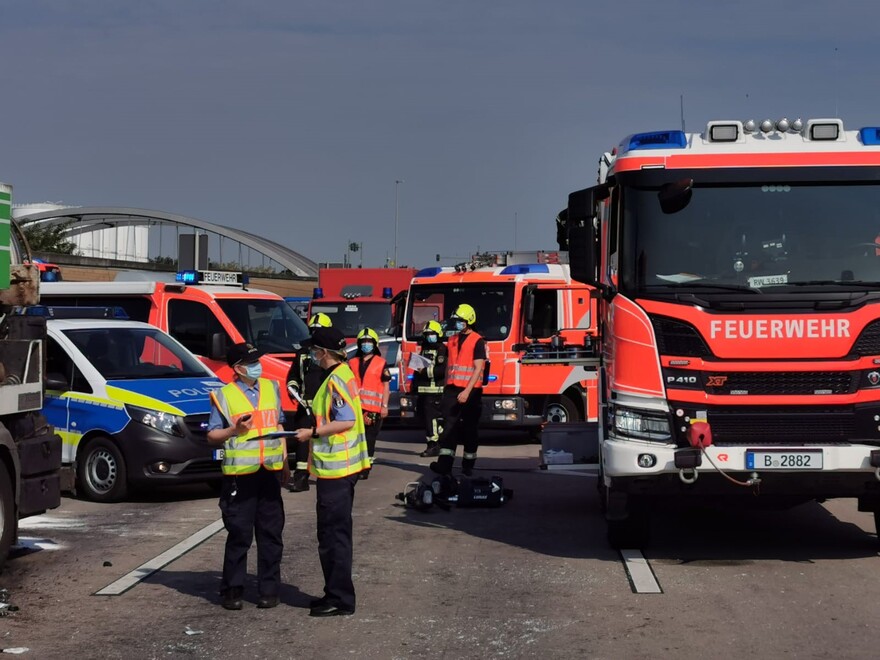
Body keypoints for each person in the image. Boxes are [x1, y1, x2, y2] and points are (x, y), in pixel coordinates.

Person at [293, 326, 370, 617]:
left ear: (323, 352)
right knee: (333, 535)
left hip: (337, 470)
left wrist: (312, 432)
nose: (310, 354)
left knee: (333, 537)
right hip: (340, 469)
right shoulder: (343, 374)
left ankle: (339, 598)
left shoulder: (336, 379)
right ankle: (334, 593)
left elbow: (346, 420)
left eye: (313, 350)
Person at [207, 343, 288, 611]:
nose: (258, 365)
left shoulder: (271, 388)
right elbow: (212, 436)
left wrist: (285, 462)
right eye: (251, 362)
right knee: (240, 534)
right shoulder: (224, 395)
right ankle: (232, 590)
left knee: (271, 533)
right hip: (240, 476)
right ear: (238, 368)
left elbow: (278, 425)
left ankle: (269, 590)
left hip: (269, 473)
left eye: (258, 360)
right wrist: (233, 430)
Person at [430, 303, 486, 477]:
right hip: (453, 389)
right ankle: (444, 465)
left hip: (471, 392)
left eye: (461, 321)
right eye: (457, 321)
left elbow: (478, 368)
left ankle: (468, 464)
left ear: (469, 321)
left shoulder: (477, 340)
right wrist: (446, 387)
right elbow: (449, 366)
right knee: (448, 428)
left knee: (469, 429)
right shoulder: (452, 340)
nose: (458, 324)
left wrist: (467, 392)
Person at [284, 312, 333, 492]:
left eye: (319, 331)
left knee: (328, 442)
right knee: (302, 443)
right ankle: (301, 478)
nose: (316, 334)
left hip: (327, 409)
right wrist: (293, 388)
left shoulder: (334, 355)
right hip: (305, 406)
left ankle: (328, 476)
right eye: (313, 330)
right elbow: (294, 376)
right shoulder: (303, 353)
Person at [348, 327, 391, 479]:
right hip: (355, 408)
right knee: (354, 438)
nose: (366, 344)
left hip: (373, 409)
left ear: (374, 344)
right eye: (363, 342)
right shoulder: (352, 362)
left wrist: (384, 406)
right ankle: (356, 464)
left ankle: (366, 467)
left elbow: (386, 386)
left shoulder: (381, 363)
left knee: (369, 439)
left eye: (369, 341)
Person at [411, 320, 447, 457]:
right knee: (424, 418)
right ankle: (441, 435)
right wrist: (414, 383)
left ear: (438, 334)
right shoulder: (424, 348)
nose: (429, 336)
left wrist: (424, 372)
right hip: (423, 390)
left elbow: (441, 370)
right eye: (427, 334)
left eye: (432, 334)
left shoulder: (442, 349)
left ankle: (433, 445)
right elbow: (418, 367)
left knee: (431, 419)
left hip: (435, 390)